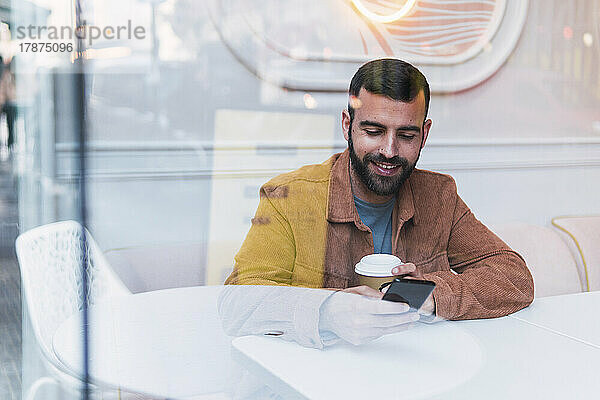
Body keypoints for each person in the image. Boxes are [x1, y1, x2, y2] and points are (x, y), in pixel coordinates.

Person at [218, 58, 534, 349]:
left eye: (407, 136)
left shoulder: (439, 196)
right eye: (373, 131)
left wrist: (425, 294)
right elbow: (239, 304)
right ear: (346, 125)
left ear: (424, 134)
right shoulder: (288, 197)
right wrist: (327, 311)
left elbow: (513, 277)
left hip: (408, 379)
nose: (389, 150)